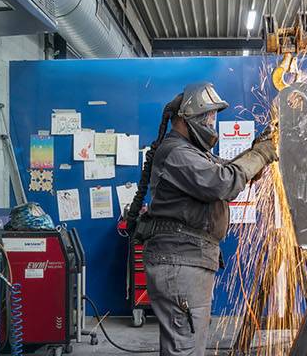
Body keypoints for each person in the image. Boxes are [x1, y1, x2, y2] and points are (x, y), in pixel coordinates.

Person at [116, 82, 277, 356]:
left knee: (187, 344)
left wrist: (253, 153)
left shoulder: (191, 151)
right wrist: (260, 154)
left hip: (186, 261)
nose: (211, 123)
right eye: (206, 117)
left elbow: (223, 171)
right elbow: (222, 183)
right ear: (183, 119)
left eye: (213, 117)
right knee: (185, 348)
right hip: (180, 263)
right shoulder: (176, 152)